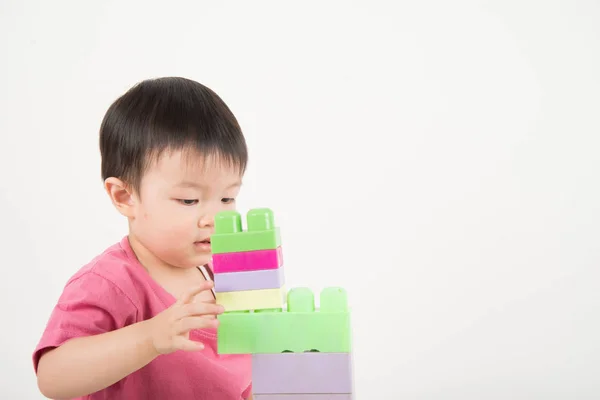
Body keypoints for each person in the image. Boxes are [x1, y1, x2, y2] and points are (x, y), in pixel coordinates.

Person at [33, 77, 253, 399]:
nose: (214, 219)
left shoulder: (223, 273)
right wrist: (150, 337)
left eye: (227, 199)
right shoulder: (111, 282)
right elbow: (53, 378)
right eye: (189, 201)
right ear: (124, 196)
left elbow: (236, 372)